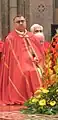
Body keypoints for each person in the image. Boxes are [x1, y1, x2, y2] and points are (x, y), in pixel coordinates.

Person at [0, 15, 44, 105]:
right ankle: (30, 97)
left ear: (25, 22)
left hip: (34, 63)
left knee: (38, 71)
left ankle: (41, 97)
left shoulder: (31, 36)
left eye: (22, 21)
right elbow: (8, 59)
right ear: (14, 24)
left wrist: (37, 58)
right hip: (17, 66)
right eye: (18, 21)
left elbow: (40, 52)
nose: (21, 23)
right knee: (27, 71)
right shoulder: (10, 38)